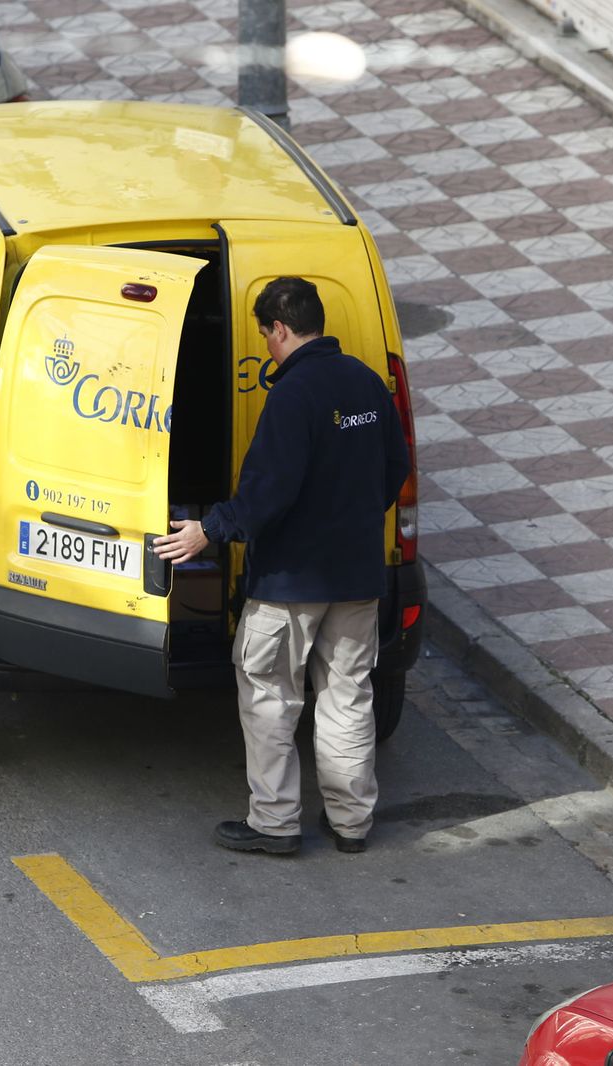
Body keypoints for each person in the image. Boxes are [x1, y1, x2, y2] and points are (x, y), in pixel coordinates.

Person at [153, 276, 410, 856]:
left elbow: (266, 492)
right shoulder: (368, 384)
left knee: (271, 696)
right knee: (347, 696)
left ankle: (275, 822)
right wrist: (353, 519)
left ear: (282, 329)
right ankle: (351, 824)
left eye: (267, 333)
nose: (267, 344)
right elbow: (396, 467)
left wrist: (207, 530)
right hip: (357, 578)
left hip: (290, 583)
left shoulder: (293, 396)